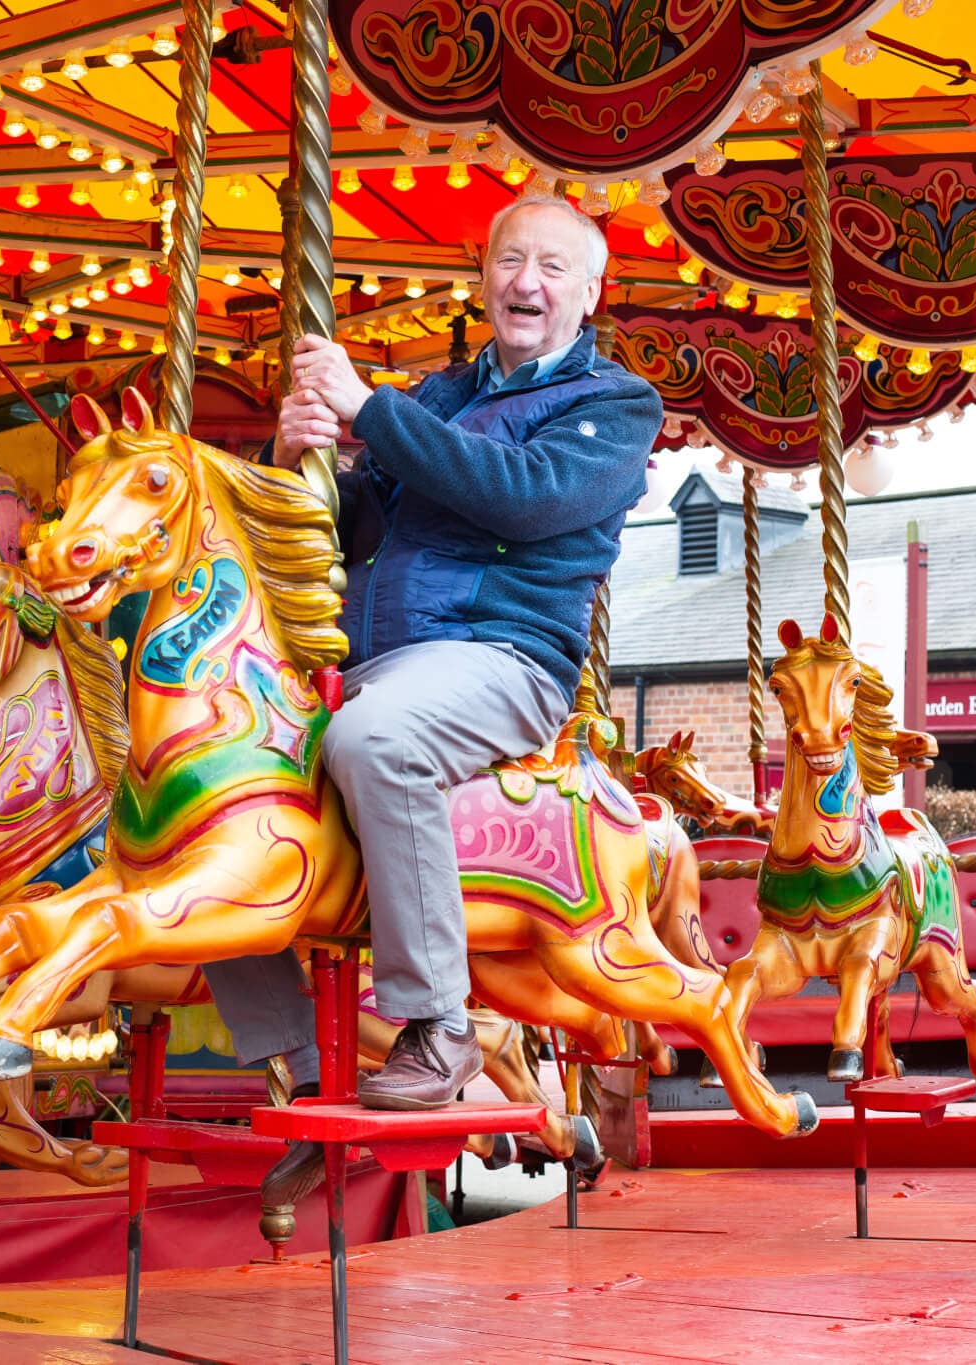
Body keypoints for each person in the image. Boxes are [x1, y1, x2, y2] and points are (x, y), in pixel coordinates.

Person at [196, 196, 664, 1197]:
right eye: (507, 262)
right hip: (376, 656)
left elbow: (523, 497)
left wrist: (370, 413)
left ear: (589, 292)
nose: (523, 283)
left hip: (500, 657)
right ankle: (296, 1053)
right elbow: (353, 522)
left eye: (548, 267)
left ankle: (438, 1022)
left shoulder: (613, 406)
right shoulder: (440, 396)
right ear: (483, 276)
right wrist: (299, 458)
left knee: (373, 743)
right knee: (212, 782)